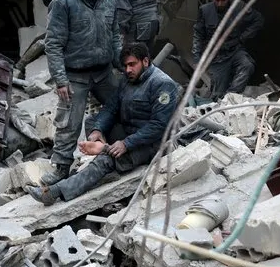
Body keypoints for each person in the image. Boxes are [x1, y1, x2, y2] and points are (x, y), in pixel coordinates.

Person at [28, 43, 180, 205]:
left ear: (145, 61)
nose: (128, 69)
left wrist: (125, 144)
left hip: (153, 144)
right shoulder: (127, 80)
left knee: (106, 160)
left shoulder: (162, 84)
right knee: (92, 122)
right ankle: (106, 155)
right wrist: (98, 130)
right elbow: (111, 108)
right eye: (126, 65)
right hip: (129, 133)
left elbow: (159, 126)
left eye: (132, 64)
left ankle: (54, 193)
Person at [41, 0, 122, 186]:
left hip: (103, 72)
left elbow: (115, 37)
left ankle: (121, 153)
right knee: (69, 122)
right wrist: (60, 79)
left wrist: (122, 65)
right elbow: (53, 43)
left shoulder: (109, 1)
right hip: (74, 75)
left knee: (123, 107)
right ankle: (61, 169)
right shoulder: (63, 2)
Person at [192, 0, 264, 100]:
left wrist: (243, 37)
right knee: (217, 94)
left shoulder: (239, 7)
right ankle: (222, 103)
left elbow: (258, 20)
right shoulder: (205, 11)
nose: (220, 4)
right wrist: (197, 59)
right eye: (216, 0)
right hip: (217, 57)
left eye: (223, 0)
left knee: (247, 65)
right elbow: (198, 35)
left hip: (235, 50)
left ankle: (231, 97)